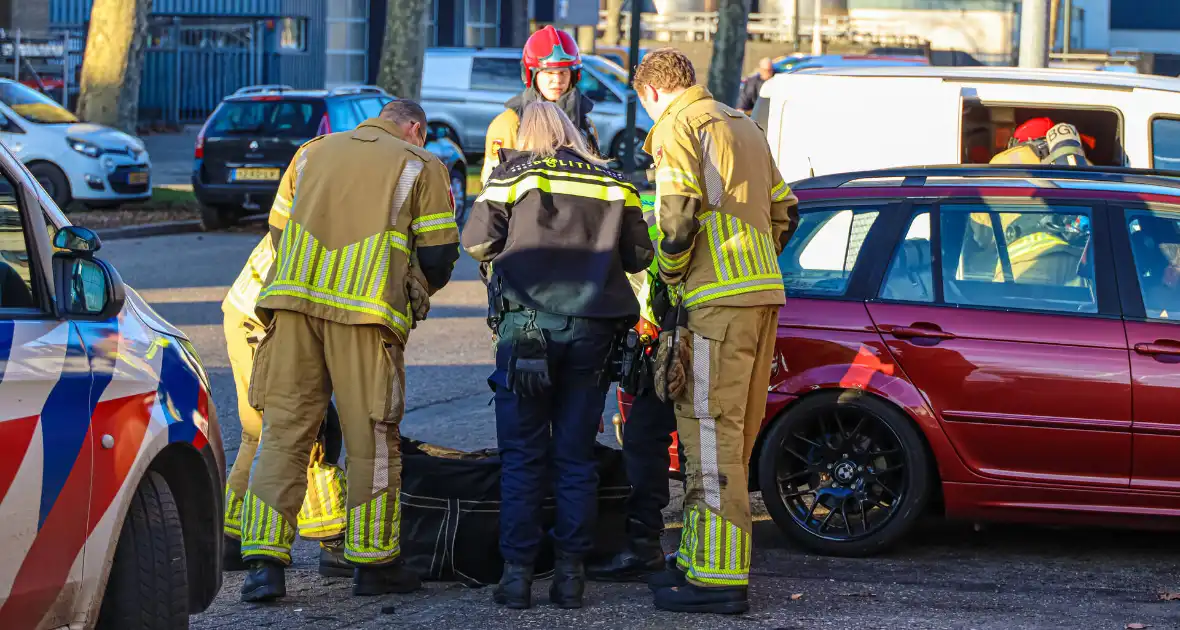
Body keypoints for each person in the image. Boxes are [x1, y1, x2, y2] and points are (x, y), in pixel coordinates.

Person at [237, 99, 460, 602]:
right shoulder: (420, 163)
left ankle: (263, 567)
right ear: (415, 129)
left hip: (291, 308)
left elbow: (276, 231)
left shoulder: (311, 152)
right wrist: (414, 289)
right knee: (373, 440)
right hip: (365, 317)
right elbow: (440, 254)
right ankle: (373, 564)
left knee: (284, 434)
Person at [462, 101, 653, 610]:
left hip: (527, 332)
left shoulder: (513, 175)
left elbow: (477, 243)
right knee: (574, 458)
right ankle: (570, 577)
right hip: (594, 334)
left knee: (523, 457)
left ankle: (517, 577)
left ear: (527, 133)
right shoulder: (613, 181)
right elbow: (639, 255)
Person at [633, 48, 798, 615]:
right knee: (739, 431)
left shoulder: (677, 125)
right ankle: (698, 558)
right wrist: (754, 261)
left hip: (714, 302)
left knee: (709, 432)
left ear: (650, 92)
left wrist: (669, 278)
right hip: (761, 296)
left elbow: (675, 219)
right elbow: (786, 210)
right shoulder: (743, 124)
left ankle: (718, 580)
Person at [220, 235, 351, 579]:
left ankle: (231, 536)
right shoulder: (346, 195)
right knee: (304, 429)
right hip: (268, 318)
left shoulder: (315, 182)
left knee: (260, 432)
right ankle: (333, 541)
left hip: (247, 309)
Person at [586, 196, 679, 583]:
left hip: (680, 336)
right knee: (668, 441)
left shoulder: (654, 221)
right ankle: (663, 546)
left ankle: (645, 547)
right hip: (677, 332)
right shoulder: (652, 218)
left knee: (648, 440)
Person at [480, 25, 599, 184]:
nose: (557, 80)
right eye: (549, 73)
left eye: (563, 72)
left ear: (574, 75)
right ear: (531, 75)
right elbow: (493, 185)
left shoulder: (586, 125)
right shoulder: (508, 124)